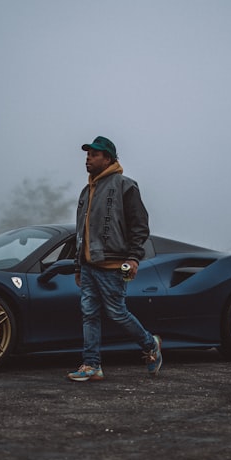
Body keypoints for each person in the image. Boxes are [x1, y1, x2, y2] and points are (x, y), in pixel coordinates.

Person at [67, 136, 163, 382]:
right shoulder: (86, 191)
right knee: (89, 314)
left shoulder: (125, 185)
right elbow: (82, 232)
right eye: (87, 154)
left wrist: (133, 258)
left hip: (114, 265)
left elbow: (140, 226)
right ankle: (91, 365)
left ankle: (150, 344)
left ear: (107, 158)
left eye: (94, 154)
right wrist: (78, 264)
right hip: (89, 265)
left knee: (117, 312)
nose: (88, 158)